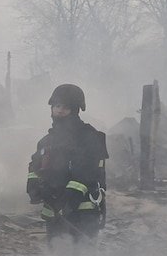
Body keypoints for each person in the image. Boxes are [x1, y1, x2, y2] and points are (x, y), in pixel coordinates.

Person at [27, 83, 108, 246]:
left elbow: (88, 172)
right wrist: (34, 185)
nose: (59, 111)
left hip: (83, 214)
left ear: (76, 110)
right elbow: (35, 166)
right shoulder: (46, 141)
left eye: (65, 107)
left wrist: (67, 199)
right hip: (54, 215)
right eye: (56, 106)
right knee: (57, 255)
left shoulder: (89, 137)